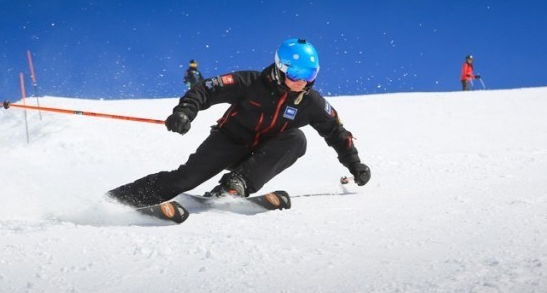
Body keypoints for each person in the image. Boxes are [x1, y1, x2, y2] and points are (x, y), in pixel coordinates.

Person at [107, 38, 372, 208]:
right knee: (185, 179)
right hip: (228, 142)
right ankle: (117, 200)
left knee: (296, 139)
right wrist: (185, 112)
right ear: (280, 68)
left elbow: (336, 132)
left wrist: (355, 164)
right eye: (296, 73)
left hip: (263, 154)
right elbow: (206, 88)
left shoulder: (310, 102)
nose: (303, 81)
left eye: (310, 74)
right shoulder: (250, 82)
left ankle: (235, 185)